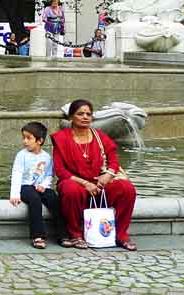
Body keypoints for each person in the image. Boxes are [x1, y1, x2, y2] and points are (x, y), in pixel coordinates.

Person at [51, 99, 137, 250]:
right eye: (80, 114)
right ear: (71, 117)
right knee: (70, 189)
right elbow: (60, 170)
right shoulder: (61, 138)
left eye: (88, 114)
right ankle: (75, 234)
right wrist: (85, 183)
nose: (85, 117)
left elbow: (114, 161)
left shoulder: (100, 136)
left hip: (100, 182)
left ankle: (120, 235)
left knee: (127, 189)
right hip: (75, 182)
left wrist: (108, 175)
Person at [9, 122, 60, 249]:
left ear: (40, 141)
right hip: (25, 186)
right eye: (23, 137)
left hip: (40, 187)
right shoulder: (21, 155)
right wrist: (15, 194)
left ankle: (63, 234)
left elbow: (49, 174)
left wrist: (44, 185)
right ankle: (37, 236)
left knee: (53, 198)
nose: (25, 141)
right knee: (34, 200)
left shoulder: (47, 157)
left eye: (28, 138)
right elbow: (16, 174)